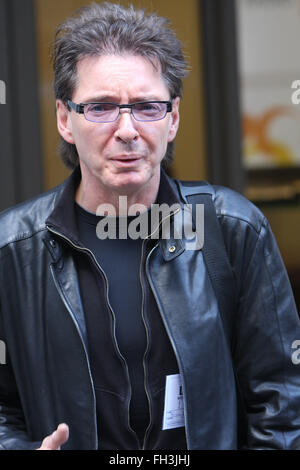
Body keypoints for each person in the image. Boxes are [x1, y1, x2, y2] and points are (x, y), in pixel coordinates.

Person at [0, 2, 300, 451]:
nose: (127, 129)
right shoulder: (14, 248)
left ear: (173, 117)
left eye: (146, 107)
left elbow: (281, 399)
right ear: (65, 119)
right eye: (100, 107)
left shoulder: (231, 229)